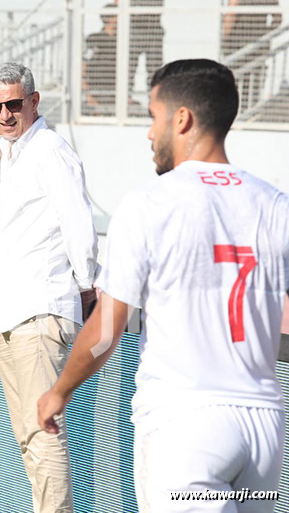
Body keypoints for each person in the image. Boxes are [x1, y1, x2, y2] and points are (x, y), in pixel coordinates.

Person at [39, 59, 288, 512]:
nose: (149, 133)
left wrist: (60, 391)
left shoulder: (150, 202)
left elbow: (106, 330)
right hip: (264, 428)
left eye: (153, 117)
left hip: (186, 423)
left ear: (182, 119)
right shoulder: (274, 204)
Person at [0, 62, 99, 513]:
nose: (5, 114)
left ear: (34, 101)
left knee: (43, 433)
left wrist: (88, 283)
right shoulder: (14, 152)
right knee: (31, 437)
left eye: (14, 104)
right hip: (12, 315)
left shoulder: (50, 149)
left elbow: (79, 223)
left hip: (40, 314)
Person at [222, 0, 281, 109]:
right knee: (254, 81)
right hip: (258, 46)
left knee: (235, 81)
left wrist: (224, 40)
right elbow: (278, 18)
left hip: (237, 44)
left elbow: (231, 15)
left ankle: (238, 115)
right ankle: (250, 111)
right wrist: (264, 35)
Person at [128, 0, 169, 97]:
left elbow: (160, 0)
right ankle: (126, 97)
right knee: (129, 66)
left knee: (154, 68)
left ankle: (154, 98)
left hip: (153, 26)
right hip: (134, 26)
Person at [83, 4, 118, 115]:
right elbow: (83, 66)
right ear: (111, 19)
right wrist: (88, 95)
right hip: (97, 93)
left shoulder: (121, 41)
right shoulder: (95, 39)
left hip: (115, 95)